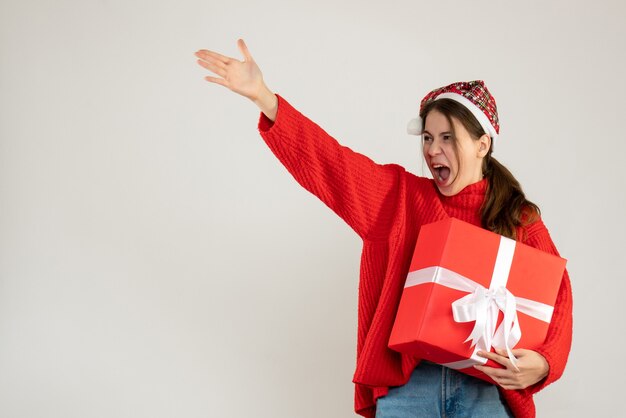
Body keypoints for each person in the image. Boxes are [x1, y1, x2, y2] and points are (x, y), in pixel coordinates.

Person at [194, 39, 573, 418]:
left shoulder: (518, 217)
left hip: (487, 392)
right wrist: (264, 97)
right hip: (410, 389)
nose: (432, 150)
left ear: (481, 144)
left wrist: (544, 363)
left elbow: (557, 296)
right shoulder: (399, 199)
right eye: (427, 137)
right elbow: (333, 164)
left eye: (446, 138)